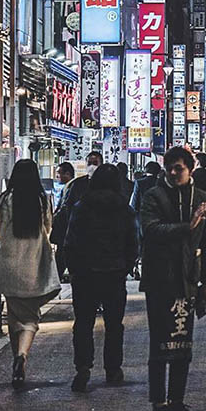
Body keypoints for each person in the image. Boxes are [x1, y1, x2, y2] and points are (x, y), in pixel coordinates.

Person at [141, 146, 206, 411]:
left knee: (182, 344)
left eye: (179, 168)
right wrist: (187, 226)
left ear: (190, 169)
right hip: (160, 280)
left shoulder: (201, 199)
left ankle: (177, 402)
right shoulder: (153, 196)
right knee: (160, 345)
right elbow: (150, 229)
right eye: (169, 167)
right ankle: (159, 406)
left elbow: (205, 244)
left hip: (187, 281)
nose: (173, 172)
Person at [64, 163, 138, 392]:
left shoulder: (82, 206)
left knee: (83, 323)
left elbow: (71, 240)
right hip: (114, 272)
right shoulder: (124, 208)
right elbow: (133, 243)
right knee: (114, 324)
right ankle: (113, 369)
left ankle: (83, 367)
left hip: (85, 273)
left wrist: (74, 268)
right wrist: (126, 266)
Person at [0, 159, 61, 389]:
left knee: (14, 315)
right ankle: (21, 355)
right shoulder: (42, 200)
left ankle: (17, 361)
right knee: (30, 317)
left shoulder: (5, 200)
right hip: (34, 264)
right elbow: (48, 228)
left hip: (9, 265)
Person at [51, 147, 104, 264]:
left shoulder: (108, 183)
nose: (92, 166)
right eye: (89, 163)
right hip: (80, 234)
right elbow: (69, 207)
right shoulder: (78, 184)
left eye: (95, 163)